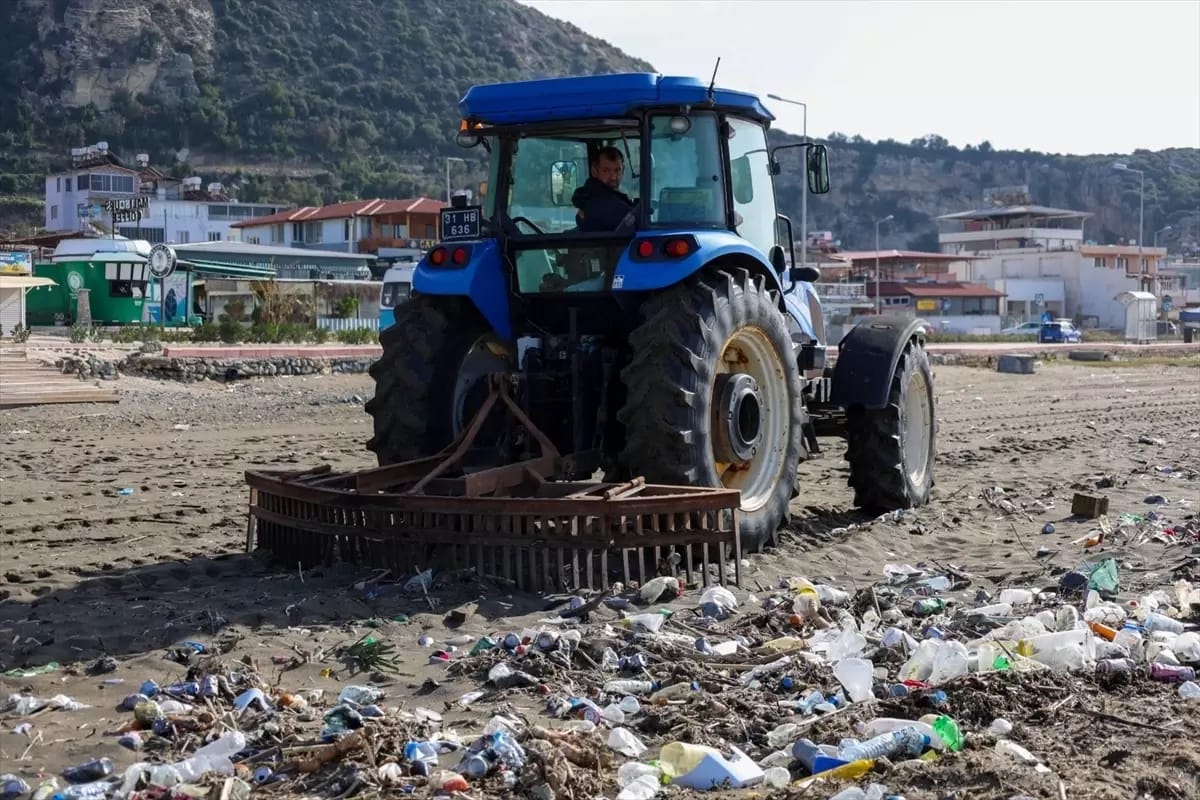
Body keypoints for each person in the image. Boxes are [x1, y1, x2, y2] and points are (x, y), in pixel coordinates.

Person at [571, 146, 635, 232]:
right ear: (594, 172)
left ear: (623, 170)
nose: (613, 177)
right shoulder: (600, 202)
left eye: (617, 170)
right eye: (606, 170)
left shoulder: (588, 196)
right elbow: (637, 222)